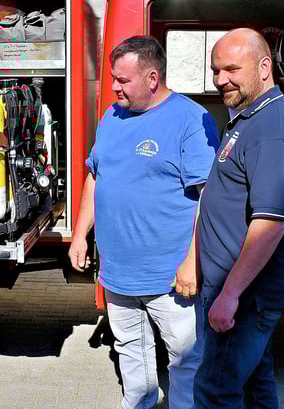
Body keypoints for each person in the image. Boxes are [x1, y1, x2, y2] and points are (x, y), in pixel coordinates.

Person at [69, 35, 219, 409]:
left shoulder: (189, 119)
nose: (115, 87)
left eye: (123, 80)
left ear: (152, 78)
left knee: (185, 360)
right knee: (130, 350)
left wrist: (192, 262)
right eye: (113, 78)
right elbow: (95, 175)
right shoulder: (111, 117)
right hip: (118, 271)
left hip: (169, 276)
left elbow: (208, 197)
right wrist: (79, 236)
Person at [193, 28, 284, 408]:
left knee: (215, 392)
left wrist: (230, 295)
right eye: (215, 70)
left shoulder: (272, 131)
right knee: (256, 388)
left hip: (246, 298)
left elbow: (271, 223)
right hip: (239, 293)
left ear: (263, 67)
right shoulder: (250, 118)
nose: (220, 79)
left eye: (231, 69)